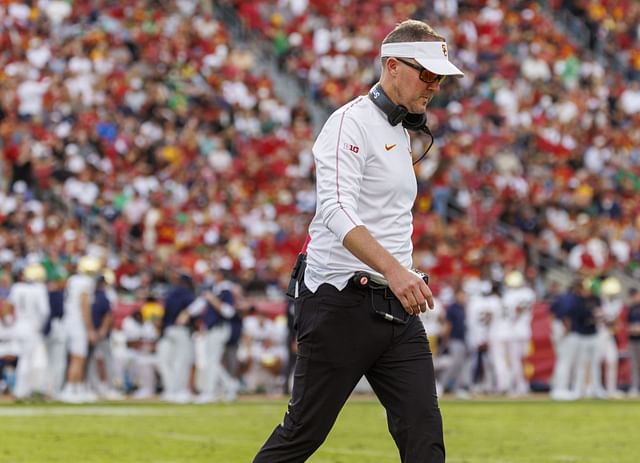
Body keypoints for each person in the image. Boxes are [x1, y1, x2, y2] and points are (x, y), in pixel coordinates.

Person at [253, 19, 463, 463]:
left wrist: (398, 273)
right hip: (340, 302)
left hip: (396, 308)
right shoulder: (347, 123)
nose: (435, 85)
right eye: (427, 74)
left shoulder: (400, 132)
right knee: (302, 435)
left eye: (440, 77)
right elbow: (333, 210)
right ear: (392, 67)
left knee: (425, 436)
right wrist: (394, 269)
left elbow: (385, 218)